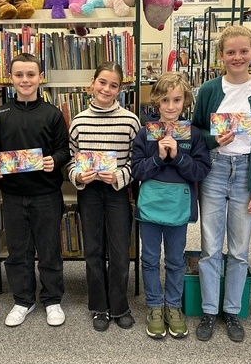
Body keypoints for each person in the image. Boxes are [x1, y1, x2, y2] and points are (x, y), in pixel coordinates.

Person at [191, 25, 251, 343]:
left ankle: (232, 311)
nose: (237, 57)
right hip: (214, 169)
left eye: (243, 51)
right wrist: (215, 139)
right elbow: (196, 132)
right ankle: (209, 310)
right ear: (221, 55)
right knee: (211, 247)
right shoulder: (209, 89)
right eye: (230, 52)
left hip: (245, 172)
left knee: (239, 249)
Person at [0, 53, 70, 328]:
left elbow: (64, 150)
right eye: (19, 75)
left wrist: (54, 160)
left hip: (46, 195)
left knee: (49, 249)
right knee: (18, 251)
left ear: (40, 78)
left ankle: (52, 299)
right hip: (12, 195)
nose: (25, 80)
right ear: (10, 78)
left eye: (31, 74)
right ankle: (23, 300)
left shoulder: (53, 114)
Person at [131, 72, 211, 339]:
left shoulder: (193, 134)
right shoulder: (145, 133)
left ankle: (173, 306)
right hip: (150, 207)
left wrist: (177, 157)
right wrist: (158, 158)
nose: (170, 106)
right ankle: (155, 306)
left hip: (178, 207)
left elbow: (200, 170)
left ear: (185, 101)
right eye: (165, 100)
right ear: (156, 101)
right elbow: (136, 171)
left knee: (176, 260)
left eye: (176, 100)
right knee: (149, 259)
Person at [67, 61, 141, 332]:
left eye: (114, 85)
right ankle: (99, 306)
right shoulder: (79, 121)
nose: (106, 89)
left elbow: (136, 161)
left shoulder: (130, 121)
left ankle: (120, 305)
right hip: (90, 193)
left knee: (120, 251)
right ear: (92, 83)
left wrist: (120, 176)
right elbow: (71, 159)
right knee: (93, 251)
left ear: (120, 89)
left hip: (117, 192)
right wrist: (78, 176)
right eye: (102, 82)